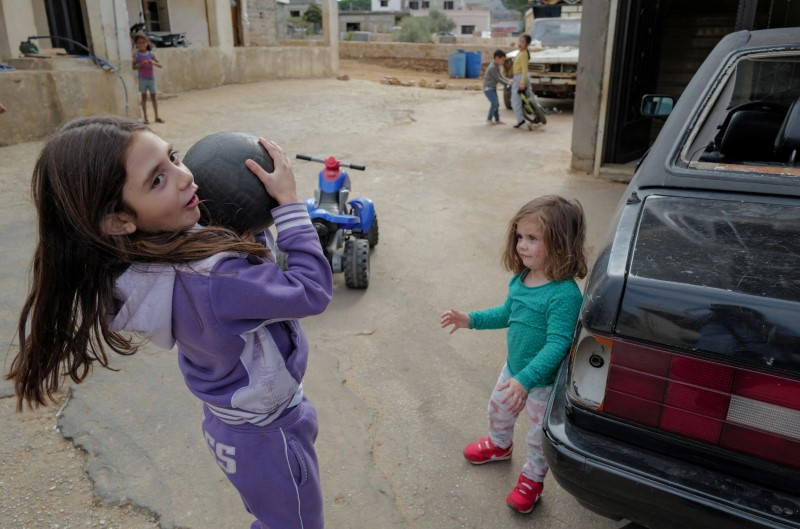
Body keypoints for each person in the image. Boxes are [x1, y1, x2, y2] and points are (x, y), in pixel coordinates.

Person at [6, 115, 333, 529]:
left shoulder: (146, 257)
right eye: (157, 180)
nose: (185, 177)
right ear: (118, 220)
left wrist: (240, 222)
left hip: (233, 422)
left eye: (174, 157)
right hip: (268, 433)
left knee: (272, 516)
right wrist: (287, 208)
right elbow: (312, 290)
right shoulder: (216, 280)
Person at [440, 195, 587, 514]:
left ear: (560, 243)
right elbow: (509, 313)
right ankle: (499, 445)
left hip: (542, 383)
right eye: (520, 237)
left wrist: (526, 381)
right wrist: (471, 320)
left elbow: (558, 344)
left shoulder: (563, 294)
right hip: (514, 370)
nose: (522, 245)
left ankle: (533, 480)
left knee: (537, 438)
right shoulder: (521, 279)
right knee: (498, 410)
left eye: (533, 238)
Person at [132, 33, 164, 124]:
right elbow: (133, 67)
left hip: (151, 79)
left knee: (154, 97)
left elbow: (160, 65)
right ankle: (145, 118)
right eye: (139, 43)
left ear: (147, 43)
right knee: (144, 97)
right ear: (137, 44)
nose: (142, 44)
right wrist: (141, 65)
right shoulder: (137, 55)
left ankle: (156, 116)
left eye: (143, 42)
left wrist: (152, 62)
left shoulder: (151, 54)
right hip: (142, 79)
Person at [511, 34, 535, 129]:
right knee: (529, 98)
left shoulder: (523, 54)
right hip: (520, 77)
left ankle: (520, 120)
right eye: (519, 41)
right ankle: (537, 115)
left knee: (515, 101)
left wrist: (521, 82)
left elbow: (525, 69)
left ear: (527, 44)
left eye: (522, 42)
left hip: (520, 78)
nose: (520, 43)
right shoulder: (522, 52)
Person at [483, 50, 510, 125]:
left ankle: (497, 120)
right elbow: (498, 79)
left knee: (496, 104)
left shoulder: (496, 66)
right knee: (495, 103)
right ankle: (489, 119)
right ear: (497, 58)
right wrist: (508, 83)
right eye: (503, 60)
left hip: (492, 88)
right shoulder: (492, 67)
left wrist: (509, 80)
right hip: (488, 89)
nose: (503, 62)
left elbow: (501, 76)